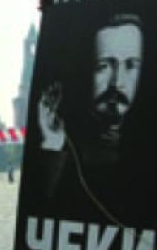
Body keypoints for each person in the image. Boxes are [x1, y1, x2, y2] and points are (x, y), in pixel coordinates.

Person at [35, 13, 147, 221]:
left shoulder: (152, 153)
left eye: (131, 65)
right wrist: (52, 143)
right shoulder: (65, 147)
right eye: (104, 66)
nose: (117, 82)